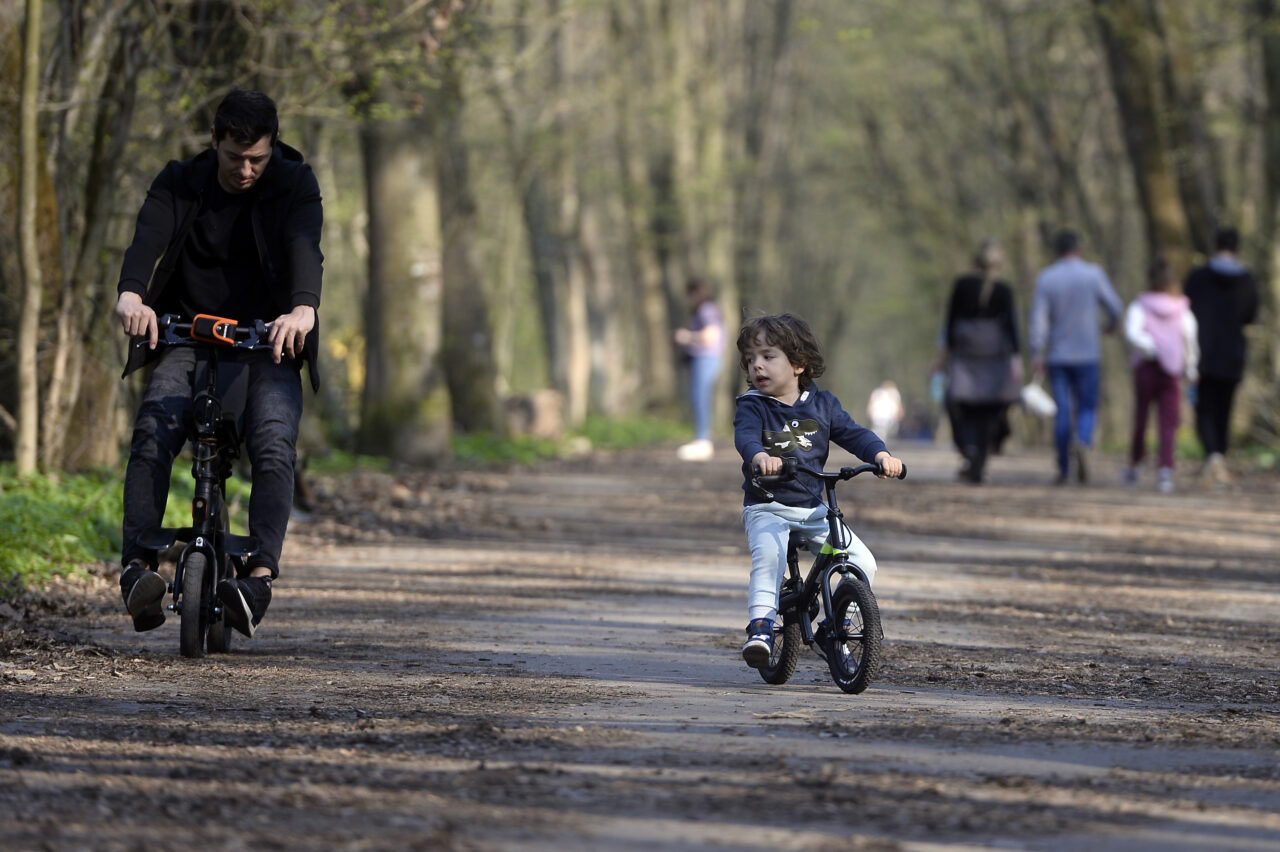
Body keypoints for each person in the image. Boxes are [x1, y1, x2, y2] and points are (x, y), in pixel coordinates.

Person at [114, 89, 323, 638]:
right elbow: (147, 239)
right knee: (152, 432)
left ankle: (256, 580)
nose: (247, 170)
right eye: (235, 158)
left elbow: (307, 250)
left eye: (258, 158)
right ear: (215, 141)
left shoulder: (295, 184)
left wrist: (303, 310)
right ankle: (136, 571)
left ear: (273, 146)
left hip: (268, 344)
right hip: (186, 337)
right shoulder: (181, 181)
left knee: (274, 442)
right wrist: (132, 295)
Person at [733, 314, 904, 668]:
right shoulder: (753, 405)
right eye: (751, 360)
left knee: (862, 560)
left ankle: (833, 625)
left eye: (767, 356)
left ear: (798, 363)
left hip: (813, 508)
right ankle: (762, 628)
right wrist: (760, 456)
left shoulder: (823, 404)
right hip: (767, 505)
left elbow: (854, 433)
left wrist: (881, 455)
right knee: (769, 558)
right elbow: (746, 436)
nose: (757, 366)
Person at [1028, 229, 1123, 484]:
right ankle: (1082, 440)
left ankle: (1062, 467)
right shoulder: (1094, 274)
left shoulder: (1046, 278)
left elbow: (1038, 320)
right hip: (1088, 354)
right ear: (1078, 249)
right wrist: (1111, 324)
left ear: (1057, 252)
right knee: (1087, 406)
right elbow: (1115, 306)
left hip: (1057, 356)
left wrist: (1037, 351)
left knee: (1062, 411)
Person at [934, 239, 1022, 484]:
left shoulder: (962, 285)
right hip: (994, 358)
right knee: (989, 410)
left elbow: (950, 322)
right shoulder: (1004, 290)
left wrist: (945, 354)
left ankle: (969, 451)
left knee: (959, 404)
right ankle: (980, 458)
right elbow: (1011, 328)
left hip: (965, 356)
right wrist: (1016, 357)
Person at [1184, 227, 1258, 486]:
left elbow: (1186, 310)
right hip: (1232, 353)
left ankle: (1212, 456)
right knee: (1224, 409)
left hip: (1202, 352)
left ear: (1215, 246)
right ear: (1237, 249)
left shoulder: (1197, 277)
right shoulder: (1247, 279)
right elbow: (1250, 315)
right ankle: (1219, 459)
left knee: (1204, 408)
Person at [1123, 257, 1199, 493]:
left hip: (1146, 368)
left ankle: (1136, 465)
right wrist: (1191, 367)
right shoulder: (1182, 309)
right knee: (1169, 422)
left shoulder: (1140, 306)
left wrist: (1150, 347)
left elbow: (1132, 333)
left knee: (1141, 419)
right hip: (1172, 371)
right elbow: (1190, 340)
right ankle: (1165, 469)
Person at [673, 278, 724, 461]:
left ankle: (703, 441)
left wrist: (686, 337)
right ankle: (701, 438)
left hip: (705, 358)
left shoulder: (706, 309)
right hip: (703, 359)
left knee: (700, 398)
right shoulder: (706, 310)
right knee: (698, 398)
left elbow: (711, 335)